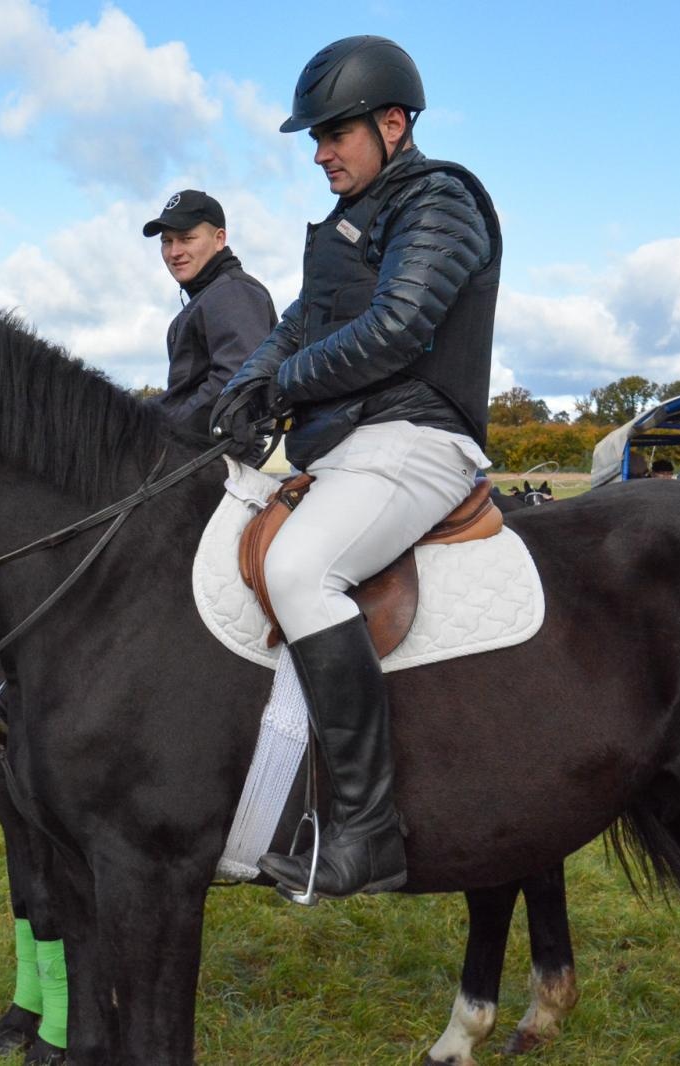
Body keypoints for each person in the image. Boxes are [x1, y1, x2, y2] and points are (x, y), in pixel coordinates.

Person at [210, 35, 500, 901]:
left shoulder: (439, 202)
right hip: (352, 441)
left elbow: (398, 327)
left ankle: (371, 831)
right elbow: (300, 322)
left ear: (394, 123)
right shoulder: (351, 222)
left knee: (300, 570)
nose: (320, 150)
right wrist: (254, 378)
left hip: (421, 439)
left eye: (335, 132)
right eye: (315, 136)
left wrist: (283, 386)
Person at [142, 190, 277, 445]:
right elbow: (183, 395)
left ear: (219, 239)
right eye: (166, 241)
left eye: (187, 238)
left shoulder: (233, 292)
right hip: (196, 453)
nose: (174, 252)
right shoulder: (208, 296)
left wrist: (158, 431)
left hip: (223, 460)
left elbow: (236, 382)